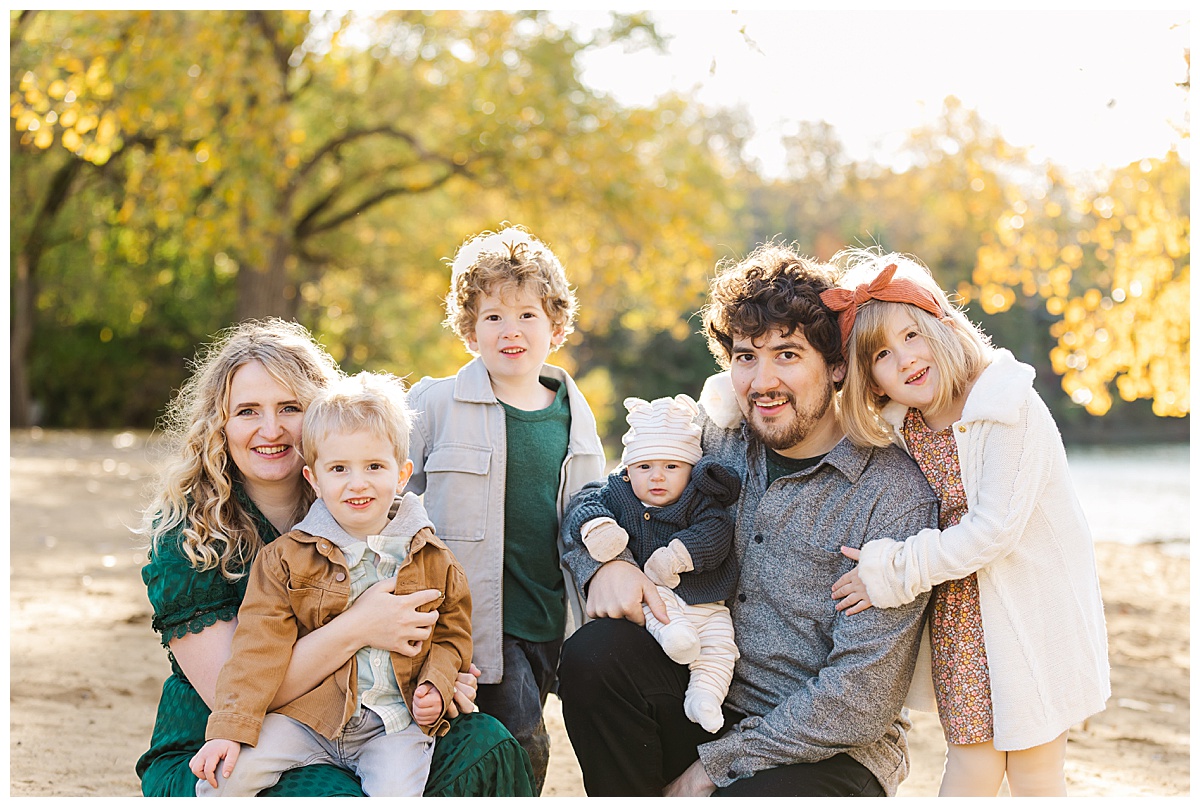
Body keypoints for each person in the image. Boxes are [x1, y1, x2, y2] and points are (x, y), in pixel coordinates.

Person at [557, 241, 940, 797]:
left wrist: (714, 767)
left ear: (835, 366)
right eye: (745, 356)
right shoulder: (714, 442)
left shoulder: (894, 494)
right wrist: (605, 566)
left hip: (828, 749)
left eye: (787, 355)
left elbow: (860, 698)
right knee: (595, 656)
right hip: (703, 691)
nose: (762, 381)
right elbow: (599, 500)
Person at [137, 318, 535, 797]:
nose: (271, 428)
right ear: (220, 424)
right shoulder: (189, 537)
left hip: (374, 721)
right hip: (231, 739)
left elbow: (441, 627)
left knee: (484, 746)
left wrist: (438, 679)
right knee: (330, 792)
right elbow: (239, 693)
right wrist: (361, 626)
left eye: (290, 407)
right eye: (247, 411)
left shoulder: (367, 508)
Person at [823, 250, 1111, 796]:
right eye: (882, 354)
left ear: (941, 324)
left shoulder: (1006, 404)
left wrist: (892, 570)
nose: (906, 358)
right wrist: (726, 401)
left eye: (912, 334)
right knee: (971, 767)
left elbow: (993, 530)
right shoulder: (901, 423)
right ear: (873, 380)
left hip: (1031, 612)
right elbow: (816, 407)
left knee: (1034, 770)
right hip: (960, 621)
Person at [189, 371, 472, 796]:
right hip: (307, 719)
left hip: (392, 724)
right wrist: (228, 730)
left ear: (402, 474)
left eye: (374, 466)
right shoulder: (284, 559)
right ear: (314, 479)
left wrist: (437, 681)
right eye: (339, 468)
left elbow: (452, 635)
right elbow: (256, 650)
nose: (357, 483)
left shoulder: (434, 558)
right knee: (226, 778)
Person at [406, 225, 606, 793]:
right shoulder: (436, 403)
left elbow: (589, 511)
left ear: (556, 327)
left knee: (495, 737)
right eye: (492, 316)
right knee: (522, 740)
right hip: (474, 619)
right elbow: (389, 495)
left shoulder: (574, 415)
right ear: (470, 329)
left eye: (527, 315)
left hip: (550, 616)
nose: (510, 331)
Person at [563, 394, 741, 733]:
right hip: (657, 600)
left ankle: (704, 697)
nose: (657, 477)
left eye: (671, 467)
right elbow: (585, 505)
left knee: (720, 648)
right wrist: (599, 528)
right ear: (629, 470)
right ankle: (674, 636)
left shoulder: (699, 500)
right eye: (645, 467)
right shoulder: (620, 493)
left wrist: (678, 555)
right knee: (657, 613)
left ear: (690, 470)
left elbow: (715, 534)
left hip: (708, 602)